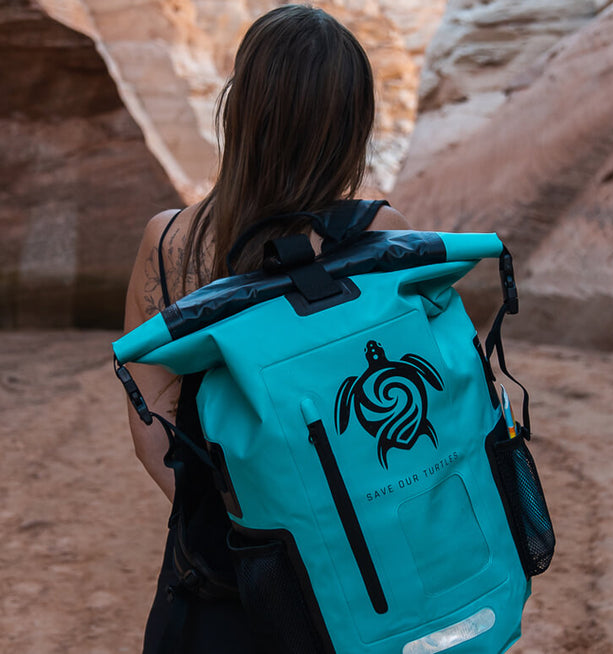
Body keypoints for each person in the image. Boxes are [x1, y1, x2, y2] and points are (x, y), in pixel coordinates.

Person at [119, 5, 409, 652]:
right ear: (352, 125)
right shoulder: (377, 239)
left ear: (239, 109)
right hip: (358, 579)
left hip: (215, 588)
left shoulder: (165, 242)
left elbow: (151, 431)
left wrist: (242, 526)